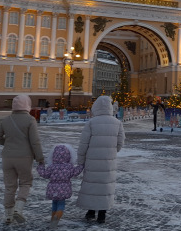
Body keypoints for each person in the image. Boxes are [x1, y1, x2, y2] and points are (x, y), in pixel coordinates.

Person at [0, 94, 44, 224]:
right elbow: (35, 142)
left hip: (7, 158)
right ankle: (18, 209)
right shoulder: (30, 120)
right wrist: (40, 158)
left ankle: (8, 216)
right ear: (27, 105)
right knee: (25, 183)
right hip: (24, 157)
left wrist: (9, 144)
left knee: (9, 186)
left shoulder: (6, 120)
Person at [76, 95, 126, 224]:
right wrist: (112, 151)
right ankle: (102, 215)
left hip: (92, 160)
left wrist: (80, 160)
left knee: (92, 185)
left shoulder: (91, 123)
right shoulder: (117, 123)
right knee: (105, 186)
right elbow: (120, 142)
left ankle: (91, 211)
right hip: (108, 161)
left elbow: (83, 144)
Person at [37, 144, 84, 229]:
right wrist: (81, 165)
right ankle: (57, 216)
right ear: (68, 156)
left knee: (54, 202)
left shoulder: (52, 167)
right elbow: (75, 172)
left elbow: (44, 174)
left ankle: (53, 218)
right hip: (64, 188)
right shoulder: (69, 167)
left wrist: (41, 166)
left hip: (53, 188)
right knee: (61, 204)